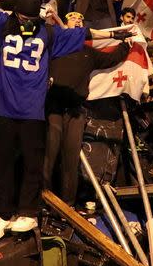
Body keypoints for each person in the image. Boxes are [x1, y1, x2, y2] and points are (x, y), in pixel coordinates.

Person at [0, 0, 133, 242]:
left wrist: (117, 35)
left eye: (30, 18)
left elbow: (85, 34)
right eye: (22, 17)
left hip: (32, 112)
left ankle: (27, 212)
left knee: (31, 166)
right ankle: (3, 214)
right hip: (3, 109)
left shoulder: (48, 33)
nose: (26, 22)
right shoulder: (1, 25)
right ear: (16, 15)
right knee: (1, 166)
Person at [43, 11, 131, 205]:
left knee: (71, 158)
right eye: (73, 18)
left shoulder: (88, 52)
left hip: (75, 109)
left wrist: (127, 44)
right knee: (49, 153)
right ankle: (44, 201)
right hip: (53, 106)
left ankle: (68, 205)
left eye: (81, 19)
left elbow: (112, 58)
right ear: (64, 24)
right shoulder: (54, 47)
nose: (78, 21)